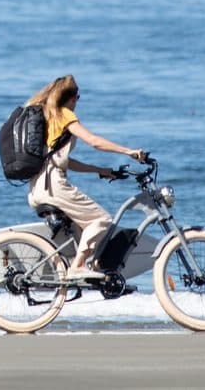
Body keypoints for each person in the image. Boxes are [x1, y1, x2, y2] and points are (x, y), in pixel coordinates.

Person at [26, 74, 149, 281]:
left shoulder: (49, 117)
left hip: (37, 187)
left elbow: (63, 160)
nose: (78, 102)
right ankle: (78, 266)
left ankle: (81, 268)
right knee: (102, 219)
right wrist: (129, 152)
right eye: (78, 98)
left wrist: (100, 170)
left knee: (86, 227)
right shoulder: (63, 114)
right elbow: (94, 141)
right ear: (72, 98)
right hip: (54, 186)